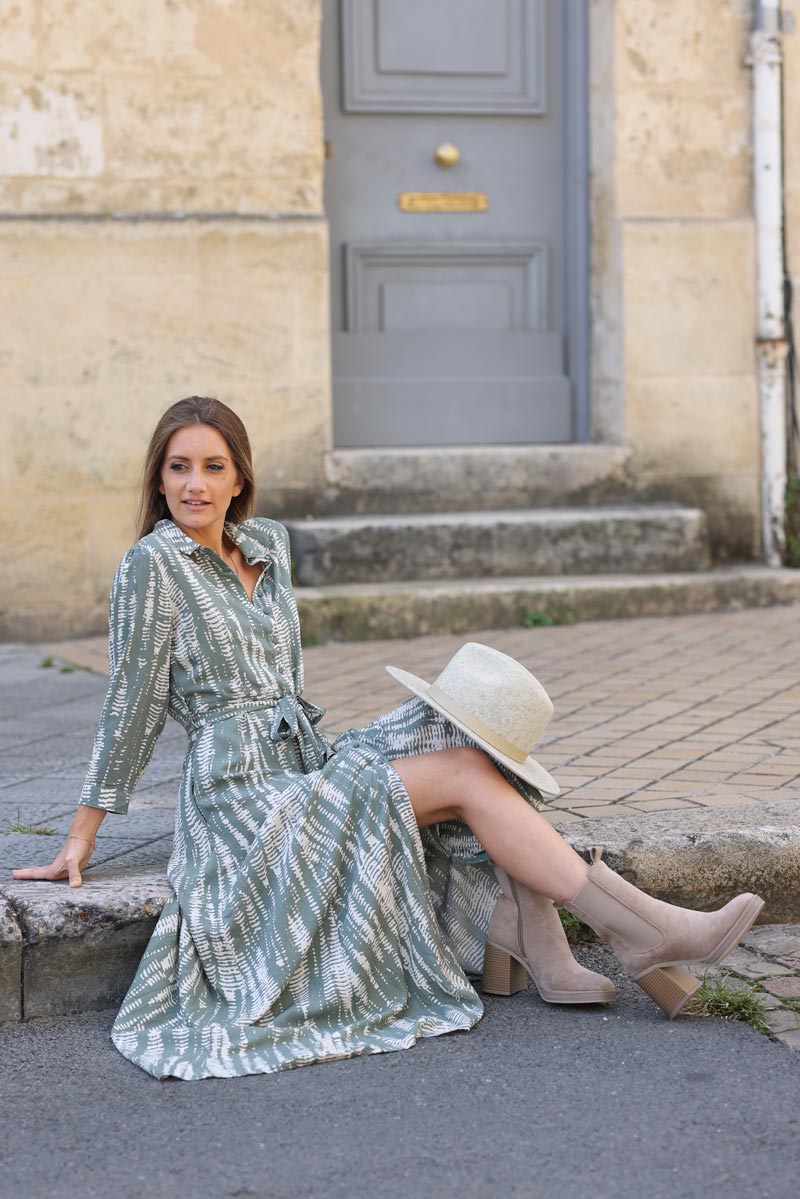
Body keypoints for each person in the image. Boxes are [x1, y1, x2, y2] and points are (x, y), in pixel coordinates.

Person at [11, 397, 765, 1082]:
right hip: (240, 795)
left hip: (300, 760)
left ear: (240, 478)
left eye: (213, 466)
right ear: (160, 478)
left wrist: (335, 756)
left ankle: (542, 933)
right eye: (178, 468)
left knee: (458, 722)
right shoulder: (152, 566)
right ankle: (641, 931)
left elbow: (292, 684)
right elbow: (130, 704)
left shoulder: (266, 547)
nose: (194, 485)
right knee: (466, 776)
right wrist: (83, 835)